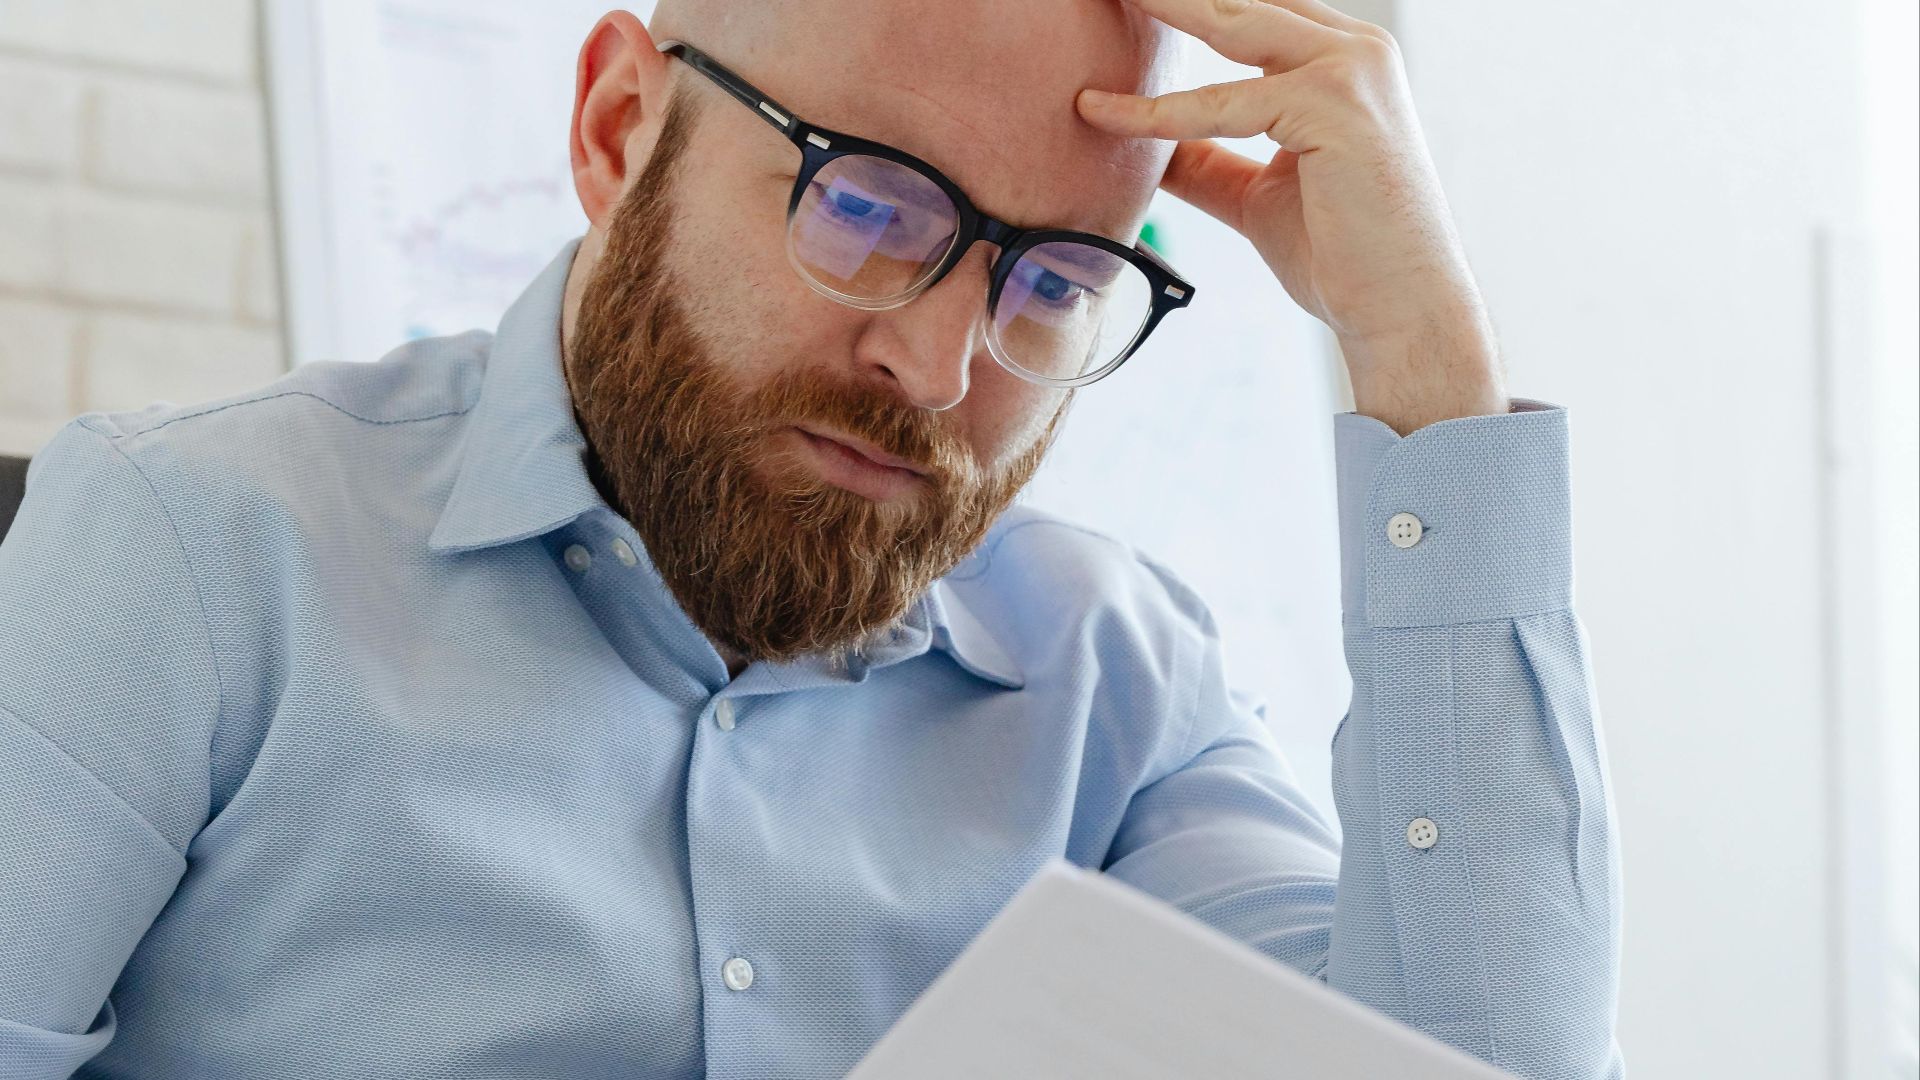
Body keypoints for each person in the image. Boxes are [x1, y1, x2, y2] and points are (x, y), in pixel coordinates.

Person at [0, 1, 1623, 1077]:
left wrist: (1425, 371)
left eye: (1052, 282)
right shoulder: (190, 554)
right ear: (622, 125)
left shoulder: (1116, 690)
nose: (938, 367)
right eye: (866, 205)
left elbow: (1482, 1064)